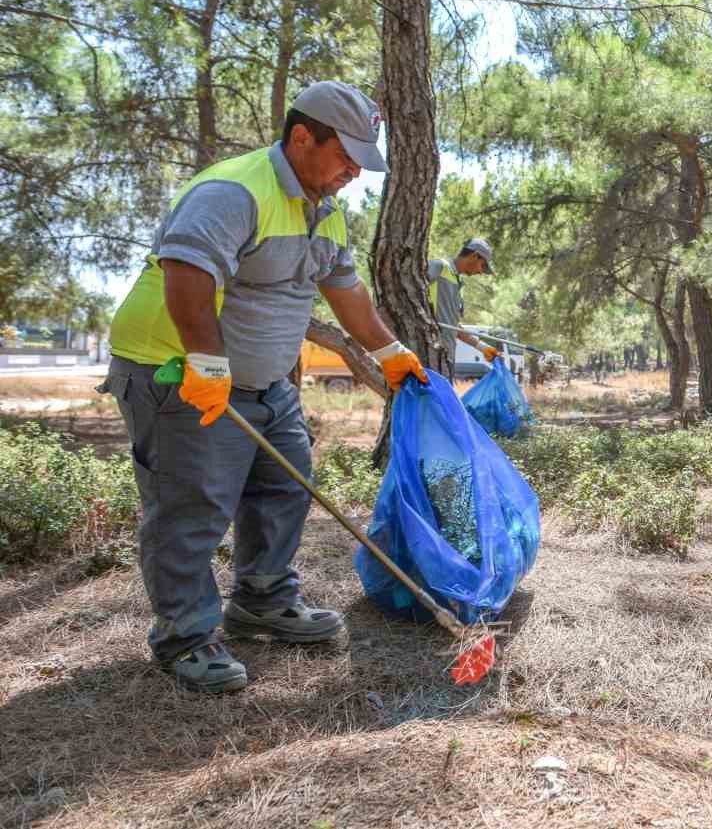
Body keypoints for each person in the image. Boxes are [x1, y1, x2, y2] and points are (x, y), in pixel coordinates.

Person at [103, 81, 428, 694]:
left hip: (262, 382)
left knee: (284, 487)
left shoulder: (324, 210)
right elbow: (187, 274)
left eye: (362, 159)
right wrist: (206, 362)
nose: (354, 171)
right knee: (191, 508)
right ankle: (186, 638)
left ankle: (262, 600)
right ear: (301, 137)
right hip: (177, 372)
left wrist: (388, 351)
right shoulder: (234, 190)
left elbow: (346, 289)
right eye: (346, 155)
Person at [428, 238, 498, 376]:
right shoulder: (439, 267)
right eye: (482, 265)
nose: (481, 272)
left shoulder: (457, 282)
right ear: (474, 256)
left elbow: (453, 326)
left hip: (446, 358)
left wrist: (482, 347)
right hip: (430, 355)